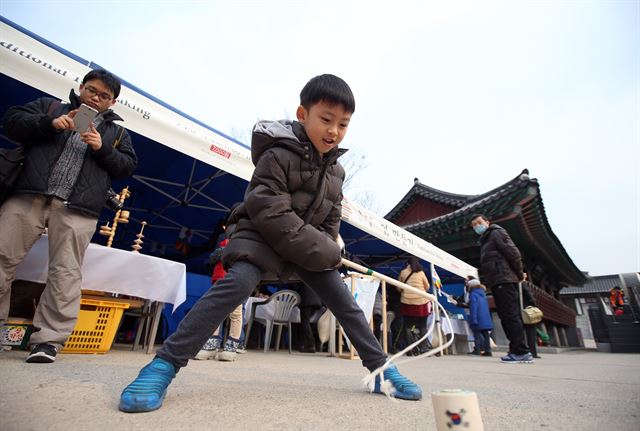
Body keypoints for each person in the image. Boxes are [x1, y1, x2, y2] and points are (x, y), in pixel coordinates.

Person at [119, 74, 422, 413]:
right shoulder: (275, 155)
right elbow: (269, 211)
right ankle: (163, 364)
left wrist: (329, 249)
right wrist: (326, 249)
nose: (333, 131)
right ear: (303, 114)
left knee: (343, 300)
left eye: (343, 124)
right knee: (235, 284)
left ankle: (380, 370)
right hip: (260, 237)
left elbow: (330, 222)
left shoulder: (337, 173)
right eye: (326, 119)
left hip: (305, 247)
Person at [0, 69, 137, 363]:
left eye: (104, 96)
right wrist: (48, 124)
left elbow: (127, 167)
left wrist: (102, 149)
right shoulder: (49, 107)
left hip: (78, 209)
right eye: (92, 90)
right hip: (28, 196)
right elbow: (11, 121)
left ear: (113, 103)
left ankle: (48, 340)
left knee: (65, 273)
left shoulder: (117, 133)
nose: (96, 98)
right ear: (81, 87)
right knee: (1, 258)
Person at [470, 214, 533, 364]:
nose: (477, 226)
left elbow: (513, 252)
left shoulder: (496, 233)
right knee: (506, 317)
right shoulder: (485, 240)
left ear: (487, 222)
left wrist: (518, 274)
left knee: (511, 316)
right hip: (497, 281)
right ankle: (515, 349)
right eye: (474, 225)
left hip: (505, 279)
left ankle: (521, 351)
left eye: (479, 222)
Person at [194, 238, 245, 362]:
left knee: (236, 314)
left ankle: (231, 347)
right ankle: (211, 346)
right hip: (220, 277)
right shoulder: (224, 239)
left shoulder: (246, 239)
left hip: (237, 279)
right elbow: (212, 259)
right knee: (215, 313)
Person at [397, 257, 431, 356]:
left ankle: (410, 349)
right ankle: (423, 348)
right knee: (422, 326)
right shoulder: (421, 273)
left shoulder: (403, 272)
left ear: (407, 263)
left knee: (408, 326)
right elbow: (427, 287)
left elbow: (398, 288)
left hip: (407, 302)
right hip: (422, 302)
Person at [466, 278, 493, 356]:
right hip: (486, 318)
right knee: (486, 334)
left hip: (478, 317)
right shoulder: (483, 293)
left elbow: (474, 307)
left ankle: (477, 350)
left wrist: (473, 319)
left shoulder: (473, 294)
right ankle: (488, 351)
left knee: (476, 334)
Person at [520, 279, 540, 359]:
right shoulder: (523, 284)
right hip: (528, 311)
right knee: (531, 332)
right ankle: (533, 352)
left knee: (519, 332)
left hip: (518, 311)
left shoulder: (514, 285)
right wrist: (534, 304)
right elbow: (530, 296)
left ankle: (522, 350)